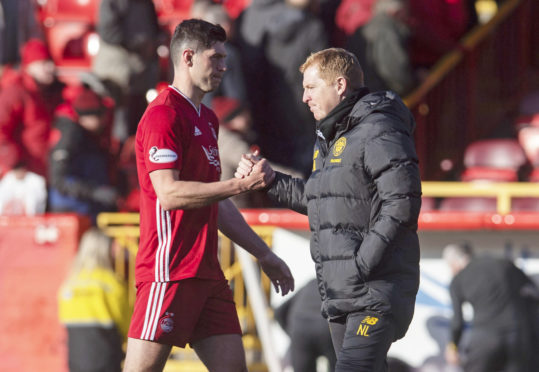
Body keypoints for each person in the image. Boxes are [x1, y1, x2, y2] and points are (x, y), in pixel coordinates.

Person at [124, 19, 295, 372]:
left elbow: (217, 201)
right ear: (188, 57)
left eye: (224, 57)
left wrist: (263, 254)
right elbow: (169, 195)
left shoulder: (207, 118)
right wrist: (239, 185)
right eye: (215, 57)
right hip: (169, 272)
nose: (223, 66)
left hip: (208, 275)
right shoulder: (163, 115)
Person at [236, 47, 422, 371]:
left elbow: (402, 202)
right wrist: (269, 180)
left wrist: (361, 263)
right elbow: (320, 203)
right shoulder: (332, 138)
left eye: (311, 87)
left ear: (339, 85)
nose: (304, 97)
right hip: (342, 292)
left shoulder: (379, 128)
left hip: (374, 290)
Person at [443, 242, 539, 372]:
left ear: (454, 263)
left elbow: (457, 321)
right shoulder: (503, 264)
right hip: (517, 336)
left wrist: (453, 346)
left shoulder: (458, 280)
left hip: (485, 339)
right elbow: (531, 292)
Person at [58, 228, 129, 372]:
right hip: (107, 358)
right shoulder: (112, 284)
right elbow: (127, 324)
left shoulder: (68, 285)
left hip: (76, 360)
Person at [48, 85, 119, 223]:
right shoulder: (70, 137)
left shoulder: (90, 137)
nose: (104, 120)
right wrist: (95, 193)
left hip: (88, 208)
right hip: (71, 210)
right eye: (100, 115)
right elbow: (59, 180)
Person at [0, 38, 63, 178]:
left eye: (50, 62)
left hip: (44, 170)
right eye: (43, 63)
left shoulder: (49, 91)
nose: (50, 68)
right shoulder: (16, 92)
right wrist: (14, 163)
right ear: (29, 66)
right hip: (23, 174)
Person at [274, 278, 336, 372]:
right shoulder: (338, 283)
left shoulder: (311, 283)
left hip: (300, 329)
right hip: (326, 329)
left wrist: (291, 334)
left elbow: (279, 312)